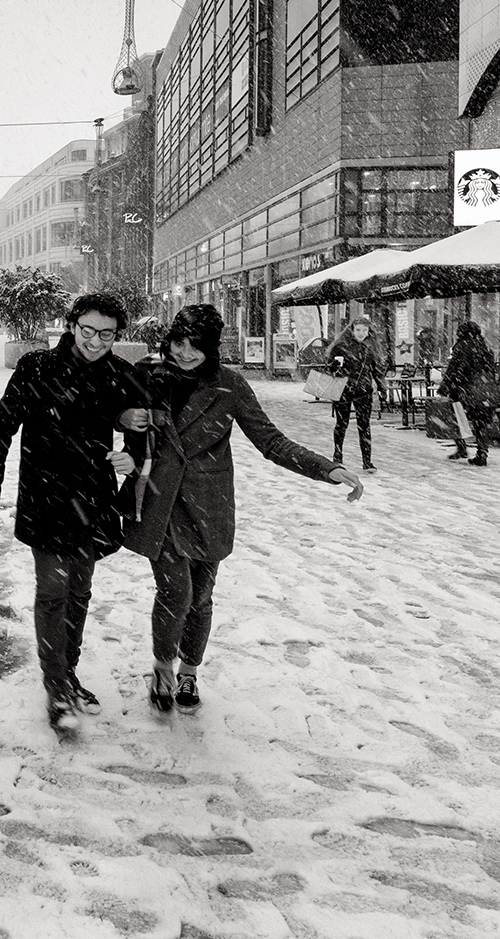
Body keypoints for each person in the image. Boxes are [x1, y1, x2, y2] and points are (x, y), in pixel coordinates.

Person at [121, 304, 363, 716]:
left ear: (211, 349)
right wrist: (123, 417)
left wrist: (327, 468)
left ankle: (190, 672)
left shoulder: (228, 386)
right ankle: (163, 668)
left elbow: (271, 441)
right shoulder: (149, 375)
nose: (184, 353)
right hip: (161, 502)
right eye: (179, 343)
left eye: (195, 347)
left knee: (200, 598)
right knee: (174, 592)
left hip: (208, 506)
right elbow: (107, 414)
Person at [0, 293, 145, 731]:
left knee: (80, 592)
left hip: (92, 498)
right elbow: (2, 424)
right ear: (71, 326)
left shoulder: (119, 374)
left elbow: (145, 428)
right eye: (87, 330)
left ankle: (67, 671)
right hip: (46, 497)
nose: (95, 341)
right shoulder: (37, 368)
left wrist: (134, 456)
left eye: (106, 334)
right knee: (53, 592)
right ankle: (56, 688)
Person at [327, 316, 390, 472]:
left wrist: (382, 388)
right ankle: (337, 454)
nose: (361, 333)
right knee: (342, 424)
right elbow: (330, 368)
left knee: (364, 426)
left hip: (363, 390)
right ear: (352, 330)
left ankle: (367, 461)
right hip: (343, 389)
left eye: (364, 330)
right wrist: (334, 366)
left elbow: (377, 370)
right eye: (358, 330)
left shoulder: (371, 347)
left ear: (369, 331)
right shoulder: (341, 347)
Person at [441, 320, 499, 467]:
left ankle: (461, 447)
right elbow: (490, 371)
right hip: (485, 391)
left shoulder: (461, 348)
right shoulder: (485, 348)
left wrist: (447, 387)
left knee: (457, 417)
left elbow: (455, 370)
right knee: (482, 423)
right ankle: (482, 453)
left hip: (466, 390)